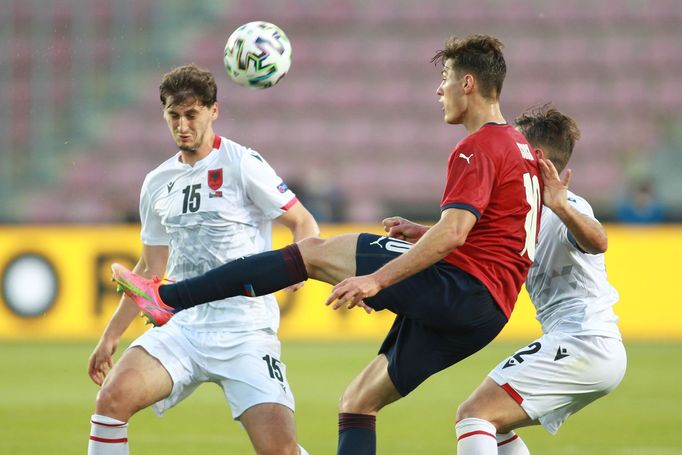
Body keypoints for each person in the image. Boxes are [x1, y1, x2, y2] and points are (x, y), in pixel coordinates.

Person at [111, 35, 543, 455]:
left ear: (467, 83)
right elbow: (493, 233)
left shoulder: (477, 147)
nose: (439, 88)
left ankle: (169, 297)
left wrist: (376, 280)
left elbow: (454, 233)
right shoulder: (519, 145)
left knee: (314, 253)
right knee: (357, 402)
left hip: (461, 286)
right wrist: (422, 233)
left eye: (446, 77)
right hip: (489, 311)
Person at [87, 64, 318, 455]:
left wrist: (301, 262)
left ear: (213, 110)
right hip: (184, 326)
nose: (182, 125)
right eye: (173, 116)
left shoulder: (242, 163)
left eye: (191, 114)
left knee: (278, 449)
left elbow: (303, 221)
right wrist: (110, 336)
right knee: (112, 401)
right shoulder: (157, 182)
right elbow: (150, 269)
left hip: (244, 330)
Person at [455, 105, 627, 454]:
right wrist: (421, 234)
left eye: (515, 145)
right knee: (495, 425)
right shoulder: (521, 210)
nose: (507, 151)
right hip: (578, 344)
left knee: (474, 415)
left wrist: (561, 205)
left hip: (585, 341)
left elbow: (598, 241)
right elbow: (465, 243)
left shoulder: (567, 205)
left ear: (535, 156)